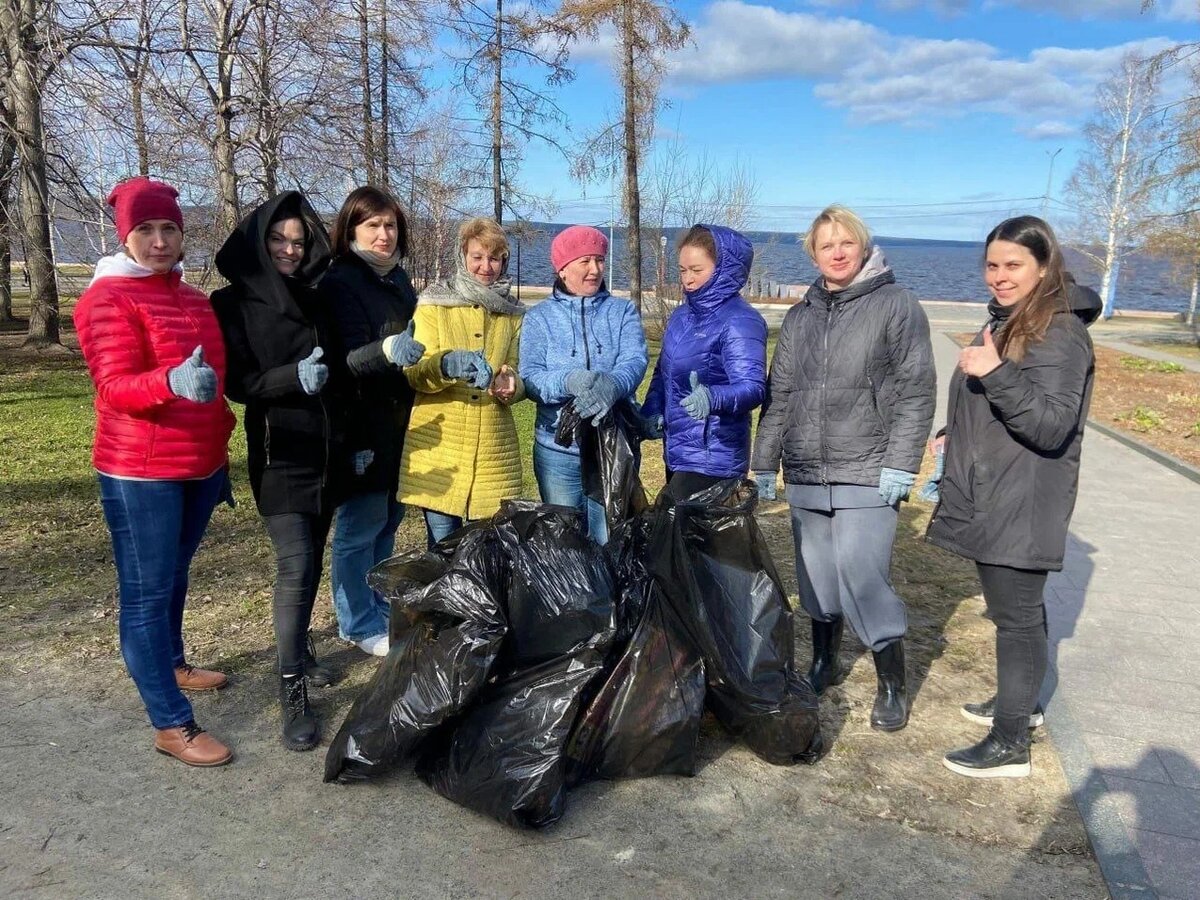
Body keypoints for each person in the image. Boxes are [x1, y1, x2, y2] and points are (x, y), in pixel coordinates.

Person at [751, 204, 935, 732]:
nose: (836, 252)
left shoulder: (897, 305)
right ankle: (825, 661)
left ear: (862, 246)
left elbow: (916, 391)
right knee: (816, 578)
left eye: (845, 242)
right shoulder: (801, 315)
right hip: (807, 468)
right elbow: (780, 394)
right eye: (825, 244)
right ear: (813, 253)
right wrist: (765, 461)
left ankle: (892, 684)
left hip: (869, 468)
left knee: (862, 574)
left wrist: (901, 463)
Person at [74, 176, 237, 767]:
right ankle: (171, 724)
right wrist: (168, 382)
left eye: (170, 228)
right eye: (145, 229)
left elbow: (216, 383)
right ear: (125, 236)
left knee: (176, 573)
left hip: (200, 463)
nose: (160, 240)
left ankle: (172, 662)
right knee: (145, 593)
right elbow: (114, 387)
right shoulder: (107, 298)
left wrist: (219, 438)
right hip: (141, 470)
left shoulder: (193, 299)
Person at [929, 216, 1096, 778]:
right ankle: (1016, 707)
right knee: (1016, 613)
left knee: (1016, 619)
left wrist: (995, 371)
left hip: (1021, 499)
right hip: (998, 488)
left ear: (1044, 266)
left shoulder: (1060, 331)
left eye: (1013, 266)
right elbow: (1001, 407)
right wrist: (956, 430)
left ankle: (1010, 744)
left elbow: (1050, 425)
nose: (999, 277)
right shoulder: (1016, 319)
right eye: (993, 265)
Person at [211, 191, 347, 751]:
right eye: (278, 239)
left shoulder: (317, 296)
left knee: (313, 559)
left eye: (298, 240)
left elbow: (340, 370)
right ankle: (291, 689)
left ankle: (304, 653)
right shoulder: (230, 303)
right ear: (258, 241)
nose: (290, 250)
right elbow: (240, 384)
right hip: (279, 454)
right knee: (294, 568)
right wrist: (294, 377)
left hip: (327, 452)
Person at [321, 186, 426, 657]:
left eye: (390, 225)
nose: (384, 235)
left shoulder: (399, 280)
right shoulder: (340, 280)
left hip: (402, 420)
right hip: (359, 421)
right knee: (358, 527)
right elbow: (344, 360)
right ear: (350, 231)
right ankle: (357, 622)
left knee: (388, 520)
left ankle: (376, 604)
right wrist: (386, 351)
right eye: (373, 226)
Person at [519, 225, 648, 544]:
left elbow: (635, 360)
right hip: (557, 449)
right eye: (585, 261)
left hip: (612, 445)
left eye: (600, 260)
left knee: (611, 538)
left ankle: (611, 595)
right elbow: (530, 377)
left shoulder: (622, 311)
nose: (595, 269)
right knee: (565, 542)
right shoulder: (539, 318)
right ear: (562, 269)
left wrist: (613, 385)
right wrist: (567, 379)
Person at [399, 218, 525, 548]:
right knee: (443, 553)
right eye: (478, 257)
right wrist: (446, 364)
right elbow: (414, 372)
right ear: (462, 256)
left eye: (494, 258)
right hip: (443, 452)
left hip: (493, 454)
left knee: (488, 556)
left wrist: (510, 384)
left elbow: (520, 370)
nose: (486, 266)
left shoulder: (512, 313)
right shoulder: (433, 304)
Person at [641, 224, 766, 498]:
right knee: (679, 536)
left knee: (686, 535)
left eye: (697, 270)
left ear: (723, 269)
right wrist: (651, 409)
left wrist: (712, 398)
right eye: (683, 270)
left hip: (716, 454)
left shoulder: (741, 321)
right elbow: (663, 373)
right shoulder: (680, 317)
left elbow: (753, 387)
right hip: (678, 450)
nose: (688, 279)